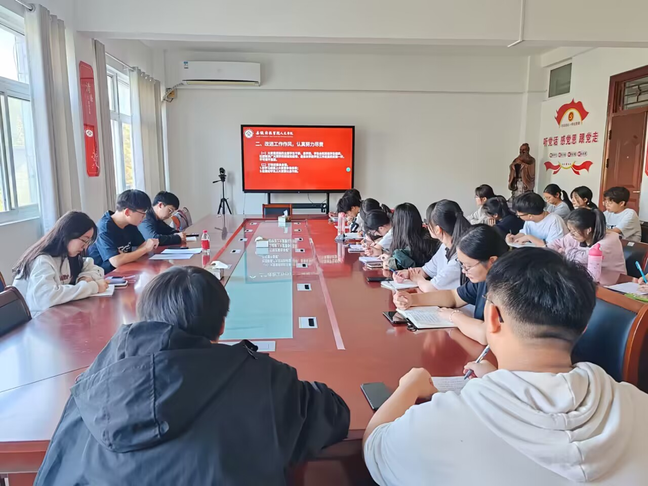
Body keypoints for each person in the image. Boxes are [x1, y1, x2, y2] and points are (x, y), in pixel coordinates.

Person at [34, 266, 350, 485]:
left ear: (143, 318)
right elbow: (335, 415)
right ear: (221, 327)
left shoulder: (90, 389)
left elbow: (53, 472)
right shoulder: (263, 379)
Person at [366, 248, 648, 485]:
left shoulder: (438, 426)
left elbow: (375, 447)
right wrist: (501, 378)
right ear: (584, 328)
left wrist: (409, 386)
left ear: (492, 318)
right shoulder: (637, 404)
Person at [393, 225, 508, 344]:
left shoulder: (508, 287)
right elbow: (453, 296)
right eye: (462, 265)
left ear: (492, 261)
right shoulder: (484, 278)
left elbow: (485, 335)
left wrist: (453, 316)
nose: (463, 271)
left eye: (468, 266)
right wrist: (412, 299)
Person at [12, 211, 109, 313]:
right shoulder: (42, 260)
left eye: (88, 242)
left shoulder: (70, 256)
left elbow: (94, 269)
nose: (85, 247)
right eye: (84, 240)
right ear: (68, 234)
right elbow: (45, 298)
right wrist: (92, 287)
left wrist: (84, 277)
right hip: (32, 319)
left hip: (54, 315)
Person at [517, 208, 626, 286]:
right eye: (570, 230)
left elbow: (583, 257)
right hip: (584, 279)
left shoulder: (610, 241)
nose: (571, 234)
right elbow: (558, 243)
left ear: (588, 230)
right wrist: (546, 251)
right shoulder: (577, 235)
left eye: (573, 231)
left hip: (609, 284)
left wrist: (565, 251)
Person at [394, 200, 470, 292]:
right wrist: (408, 273)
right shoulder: (444, 246)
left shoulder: (459, 257)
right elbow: (425, 271)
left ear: (438, 229)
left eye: (427, 222)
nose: (426, 225)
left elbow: (430, 288)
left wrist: (418, 279)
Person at [88, 190, 159, 273]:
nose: (144, 217)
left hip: (124, 269)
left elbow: (142, 245)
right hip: (104, 275)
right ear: (127, 212)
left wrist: (125, 256)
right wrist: (145, 249)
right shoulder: (104, 228)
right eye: (142, 213)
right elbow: (116, 262)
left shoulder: (130, 224)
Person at [385, 203, 438, 270]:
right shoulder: (428, 238)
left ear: (397, 224)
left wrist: (389, 262)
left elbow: (397, 264)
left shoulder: (408, 248)